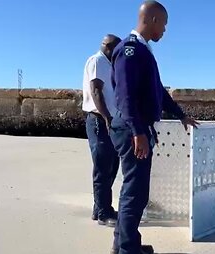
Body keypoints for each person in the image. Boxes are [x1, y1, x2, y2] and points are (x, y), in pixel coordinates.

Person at [108, 1, 199, 253]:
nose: (165, 32)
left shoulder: (143, 50)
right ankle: (127, 249)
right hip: (130, 130)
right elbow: (124, 96)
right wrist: (138, 132)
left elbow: (158, 92)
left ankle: (124, 244)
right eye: (164, 25)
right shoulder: (130, 50)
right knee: (135, 193)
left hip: (134, 128)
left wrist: (181, 115)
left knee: (134, 191)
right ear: (153, 20)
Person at [82, 34, 122, 227]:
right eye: (117, 48)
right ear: (108, 46)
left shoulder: (110, 64)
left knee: (112, 166)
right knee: (103, 167)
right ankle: (104, 213)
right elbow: (95, 91)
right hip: (99, 121)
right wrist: (107, 117)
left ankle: (100, 207)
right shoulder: (97, 61)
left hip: (110, 122)